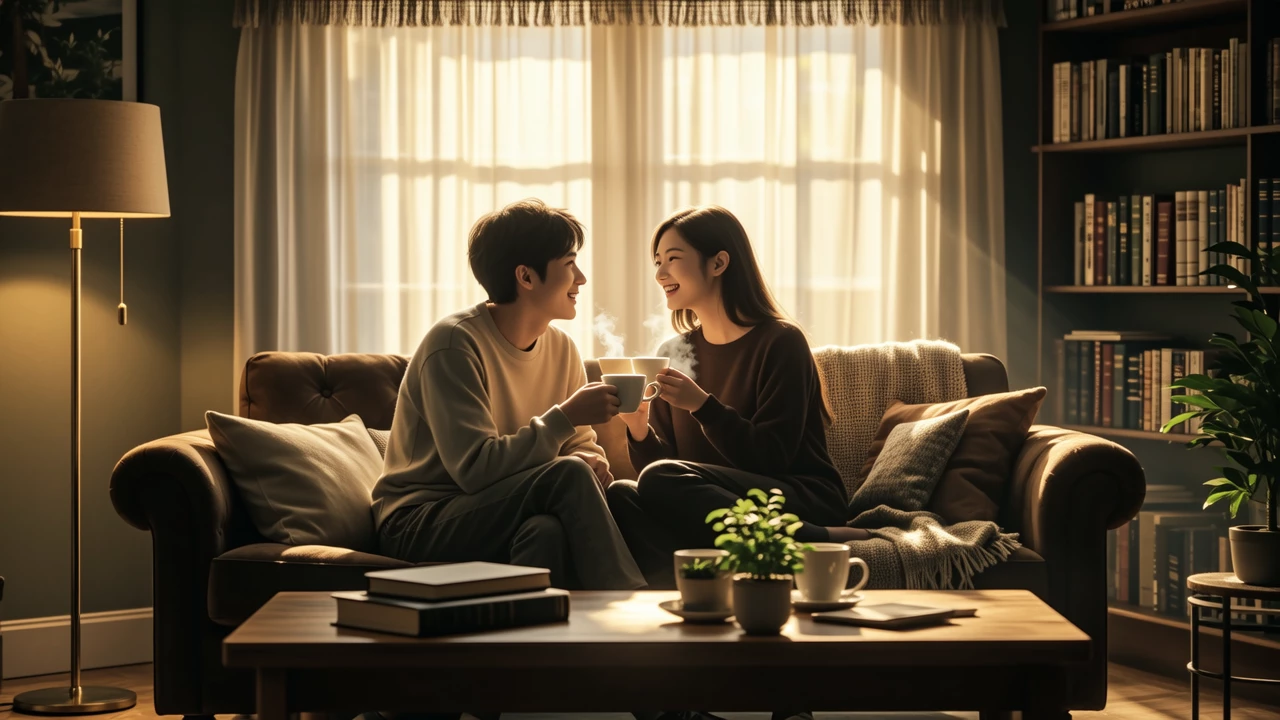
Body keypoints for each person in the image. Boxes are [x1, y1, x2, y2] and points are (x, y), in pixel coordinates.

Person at [373, 198, 645, 591]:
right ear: (527, 277)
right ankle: (634, 612)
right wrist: (564, 419)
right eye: (569, 264)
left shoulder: (562, 348)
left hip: (504, 509)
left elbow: (577, 447)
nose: (581, 278)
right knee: (566, 476)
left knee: (545, 532)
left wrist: (590, 460)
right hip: (419, 519)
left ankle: (540, 648)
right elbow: (475, 471)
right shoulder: (454, 343)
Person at [607, 205, 863, 590]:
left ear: (718, 263)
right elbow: (663, 477)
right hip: (720, 504)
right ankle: (694, 590)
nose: (660, 274)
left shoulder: (780, 342)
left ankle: (818, 538)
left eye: (673, 260)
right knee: (623, 494)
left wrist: (702, 406)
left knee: (661, 479)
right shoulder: (673, 351)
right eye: (657, 262)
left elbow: (771, 457)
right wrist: (639, 430)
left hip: (794, 498)